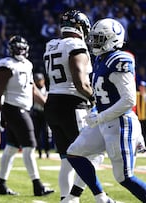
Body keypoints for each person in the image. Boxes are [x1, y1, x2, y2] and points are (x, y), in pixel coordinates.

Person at [66, 18, 146, 203]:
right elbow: (105, 95)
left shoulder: (120, 59)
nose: (95, 42)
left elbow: (128, 100)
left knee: (124, 177)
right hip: (104, 121)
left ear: (114, 39)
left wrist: (100, 116)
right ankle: (103, 198)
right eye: (94, 38)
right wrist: (96, 110)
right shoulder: (102, 59)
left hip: (119, 123)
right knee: (74, 152)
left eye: (100, 39)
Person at [43, 10, 104, 202]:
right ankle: (92, 197)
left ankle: (66, 199)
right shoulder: (76, 44)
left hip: (52, 101)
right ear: (81, 27)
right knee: (94, 153)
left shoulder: (51, 44)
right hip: (72, 104)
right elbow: (80, 83)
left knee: (67, 159)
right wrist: (96, 98)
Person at [0, 35, 54, 196]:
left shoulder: (27, 64)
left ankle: (0, 184)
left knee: (12, 147)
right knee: (30, 146)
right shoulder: (6, 64)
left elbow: (32, 89)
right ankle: (37, 185)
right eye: (17, 48)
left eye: (22, 47)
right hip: (13, 109)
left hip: (24, 109)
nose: (20, 50)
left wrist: (46, 104)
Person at [31, 73, 51, 159]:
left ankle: (47, 151)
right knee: (37, 133)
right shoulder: (33, 91)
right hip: (36, 113)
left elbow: (45, 102)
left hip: (45, 113)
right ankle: (39, 152)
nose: (39, 82)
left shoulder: (47, 90)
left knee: (46, 133)